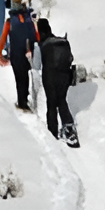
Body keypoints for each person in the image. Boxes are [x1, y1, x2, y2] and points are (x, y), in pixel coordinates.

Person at [37, 17, 78, 147]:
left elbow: (37, 64)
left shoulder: (42, 44)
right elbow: (70, 58)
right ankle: (69, 126)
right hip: (64, 75)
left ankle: (52, 132)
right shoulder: (61, 42)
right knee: (61, 100)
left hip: (50, 77)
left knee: (51, 104)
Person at [0, 0, 39, 112]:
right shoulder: (28, 18)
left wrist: (0, 54)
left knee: (19, 78)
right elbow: (36, 35)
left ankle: (22, 103)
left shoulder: (10, 22)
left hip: (16, 53)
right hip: (28, 51)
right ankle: (25, 98)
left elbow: (3, 38)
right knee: (25, 76)